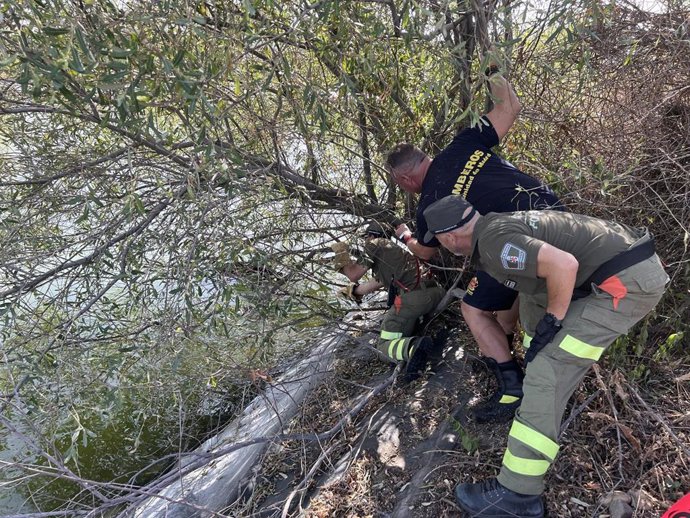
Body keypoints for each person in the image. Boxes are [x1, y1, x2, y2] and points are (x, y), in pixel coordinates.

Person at [422, 195, 668, 517]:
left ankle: (517, 495)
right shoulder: (497, 225)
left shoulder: (494, 241)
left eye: (439, 240)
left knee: (549, 368)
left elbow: (564, 266)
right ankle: (539, 408)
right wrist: (537, 328)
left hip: (624, 283)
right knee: (534, 313)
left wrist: (553, 322)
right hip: (629, 265)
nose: (441, 245)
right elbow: (535, 285)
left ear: (449, 237)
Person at [386, 56, 564, 423]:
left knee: (472, 307)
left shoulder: (428, 205)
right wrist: (491, 67)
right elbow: (509, 105)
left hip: (517, 242)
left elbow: (427, 251)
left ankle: (511, 389)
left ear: (404, 181)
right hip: (557, 216)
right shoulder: (462, 144)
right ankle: (510, 348)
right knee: (504, 291)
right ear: (426, 155)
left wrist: (404, 234)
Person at [333, 221, 446, 380]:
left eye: (367, 238)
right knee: (400, 323)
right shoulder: (393, 252)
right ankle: (413, 341)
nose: (366, 241)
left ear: (371, 236)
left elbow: (353, 274)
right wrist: (354, 291)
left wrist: (341, 255)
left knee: (383, 345)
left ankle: (413, 347)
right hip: (434, 293)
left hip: (414, 299)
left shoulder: (375, 243)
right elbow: (374, 283)